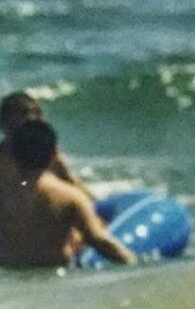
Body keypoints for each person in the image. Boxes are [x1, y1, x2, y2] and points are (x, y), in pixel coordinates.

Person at [0, 119, 134, 268]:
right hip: (54, 277)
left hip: (10, 277)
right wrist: (133, 265)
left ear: (13, 155)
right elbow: (98, 240)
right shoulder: (69, 197)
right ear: (53, 154)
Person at [0, 91, 93, 197]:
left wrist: (97, 204)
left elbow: (70, 181)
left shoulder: (46, 151)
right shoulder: (3, 157)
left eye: (36, 113)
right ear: (5, 123)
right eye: (24, 113)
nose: (31, 118)